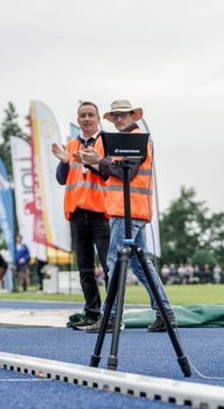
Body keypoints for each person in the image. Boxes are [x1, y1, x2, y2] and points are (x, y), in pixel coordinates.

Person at [80, 100, 175, 333]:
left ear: (133, 116)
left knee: (114, 262)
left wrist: (98, 161)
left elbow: (126, 173)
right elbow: (115, 174)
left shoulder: (134, 141)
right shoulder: (129, 140)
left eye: (123, 115)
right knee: (140, 265)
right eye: (116, 116)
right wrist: (96, 164)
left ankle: (111, 317)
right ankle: (165, 313)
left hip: (127, 210)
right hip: (130, 209)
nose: (120, 120)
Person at [52, 101, 111, 328]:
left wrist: (94, 162)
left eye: (90, 115)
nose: (86, 119)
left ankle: (112, 313)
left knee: (108, 267)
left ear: (98, 119)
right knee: (85, 268)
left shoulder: (105, 143)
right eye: (83, 115)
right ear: (78, 120)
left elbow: (111, 174)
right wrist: (65, 163)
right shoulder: (71, 144)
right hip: (77, 213)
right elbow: (61, 178)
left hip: (100, 212)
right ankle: (92, 312)